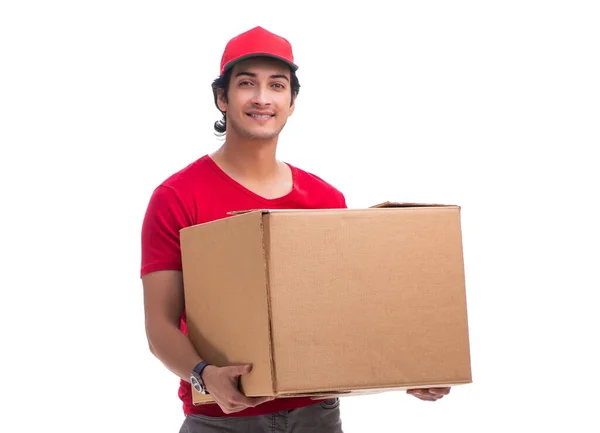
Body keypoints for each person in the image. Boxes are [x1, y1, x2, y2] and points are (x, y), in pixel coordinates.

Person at [140, 25, 450, 433]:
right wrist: (204, 375)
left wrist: (412, 366)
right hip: (221, 421)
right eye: (247, 83)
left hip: (318, 417)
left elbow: (348, 312)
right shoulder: (178, 196)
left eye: (277, 85)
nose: (262, 98)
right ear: (222, 97)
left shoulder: (325, 199)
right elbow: (159, 325)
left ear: (292, 100)